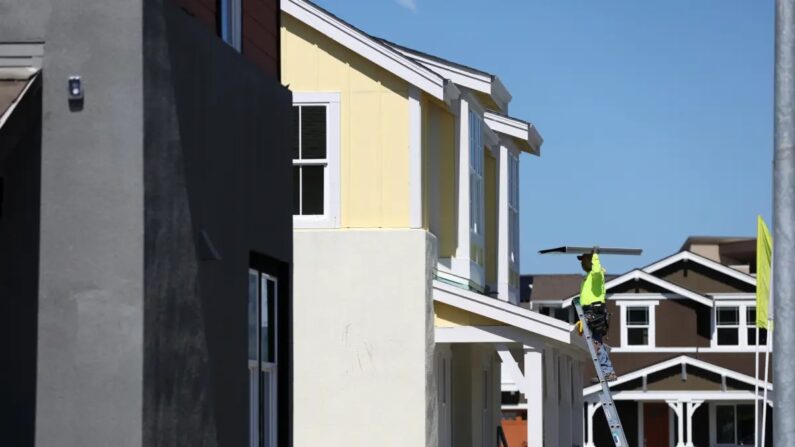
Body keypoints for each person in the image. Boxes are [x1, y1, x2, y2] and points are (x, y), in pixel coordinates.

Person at [577, 249, 617, 382]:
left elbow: (596, 270)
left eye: (583, 260)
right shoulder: (588, 276)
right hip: (590, 310)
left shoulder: (596, 274)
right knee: (596, 342)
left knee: (593, 343)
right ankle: (607, 371)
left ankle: (607, 371)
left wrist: (595, 256)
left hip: (594, 310)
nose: (581, 263)